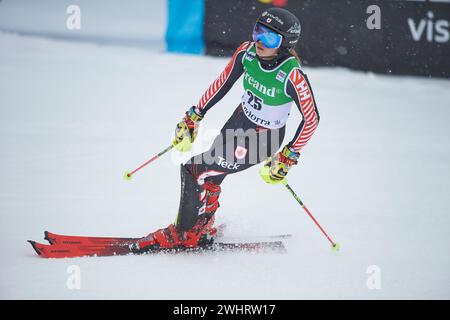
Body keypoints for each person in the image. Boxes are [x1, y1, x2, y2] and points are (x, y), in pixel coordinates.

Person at [136, 7, 320, 250]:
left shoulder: (291, 75)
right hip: (239, 121)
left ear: (284, 44)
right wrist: (195, 115)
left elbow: (312, 118)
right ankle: (202, 224)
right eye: (258, 31)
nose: (259, 41)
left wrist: (289, 155)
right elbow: (223, 82)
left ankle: (183, 233)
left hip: (263, 139)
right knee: (212, 175)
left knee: (194, 169)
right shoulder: (247, 53)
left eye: (270, 37)